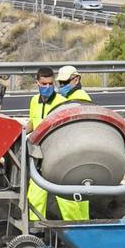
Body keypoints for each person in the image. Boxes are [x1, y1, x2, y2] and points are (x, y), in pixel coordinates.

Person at [39, 65, 93, 222]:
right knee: (79, 199)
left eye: (64, 83)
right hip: (75, 152)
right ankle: (84, 229)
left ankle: (77, 231)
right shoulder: (69, 98)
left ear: (75, 79)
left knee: (68, 197)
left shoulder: (79, 99)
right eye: (60, 83)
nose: (61, 87)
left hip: (72, 152)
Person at [25, 66, 59, 221]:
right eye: (44, 84)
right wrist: (20, 132)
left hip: (58, 155)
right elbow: (34, 122)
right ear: (37, 82)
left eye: (50, 84)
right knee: (35, 196)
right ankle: (35, 231)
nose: (47, 87)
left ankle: (81, 230)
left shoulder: (61, 102)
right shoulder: (34, 101)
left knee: (68, 201)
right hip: (39, 155)